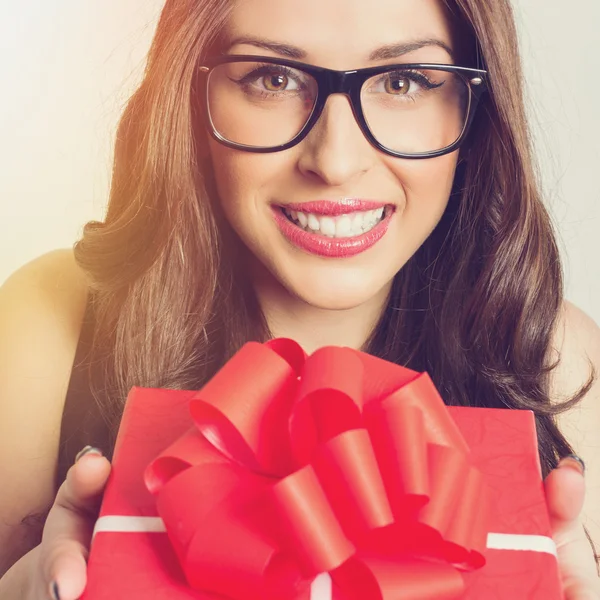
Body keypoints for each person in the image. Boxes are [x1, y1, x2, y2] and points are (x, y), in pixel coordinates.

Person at [1, 0, 600, 597]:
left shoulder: (562, 360)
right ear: (190, 99)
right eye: (273, 78)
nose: (335, 162)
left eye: (404, 81)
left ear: (477, 111)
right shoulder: (47, 327)